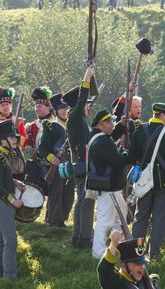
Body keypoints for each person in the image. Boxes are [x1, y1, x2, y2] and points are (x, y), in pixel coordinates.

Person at [128, 103, 165, 259]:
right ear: (161, 115)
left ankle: (135, 253)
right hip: (163, 182)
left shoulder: (140, 131)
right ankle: (154, 254)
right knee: (159, 217)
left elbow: (132, 156)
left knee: (140, 216)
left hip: (144, 181)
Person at [87, 109, 130, 259]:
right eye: (109, 122)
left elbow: (111, 135)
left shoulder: (99, 137)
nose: (112, 125)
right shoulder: (103, 142)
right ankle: (98, 253)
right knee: (104, 221)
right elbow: (117, 161)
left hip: (111, 187)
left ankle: (119, 244)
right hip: (107, 187)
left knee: (121, 214)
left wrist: (121, 125)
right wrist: (128, 154)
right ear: (101, 124)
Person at [0, 120, 25, 281]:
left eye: (14, 135)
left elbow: (3, 178)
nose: (15, 139)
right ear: (2, 140)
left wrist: (15, 182)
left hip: (3, 202)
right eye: (10, 136)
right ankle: (9, 278)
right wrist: (13, 200)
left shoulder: (3, 155)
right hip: (2, 203)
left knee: (0, 241)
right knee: (10, 241)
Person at [66, 65, 97, 248]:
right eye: (86, 104)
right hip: (82, 164)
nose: (88, 107)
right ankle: (84, 239)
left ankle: (78, 237)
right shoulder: (75, 117)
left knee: (82, 203)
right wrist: (86, 77)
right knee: (86, 203)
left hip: (80, 164)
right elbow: (81, 101)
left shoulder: (77, 120)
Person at [38, 93, 75, 227]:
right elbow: (42, 148)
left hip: (71, 162)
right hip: (58, 162)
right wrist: (51, 158)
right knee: (57, 192)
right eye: (61, 109)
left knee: (69, 193)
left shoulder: (73, 125)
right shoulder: (51, 125)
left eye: (66, 108)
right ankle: (54, 220)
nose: (64, 111)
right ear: (56, 111)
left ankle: (62, 218)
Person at [24, 86, 53, 194]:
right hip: (37, 165)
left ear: (48, 107)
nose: (36, 109)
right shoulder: (32, 126)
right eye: (35, 106)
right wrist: (30, 149)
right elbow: (27, 144)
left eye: (39, 106)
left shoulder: (55, 123)